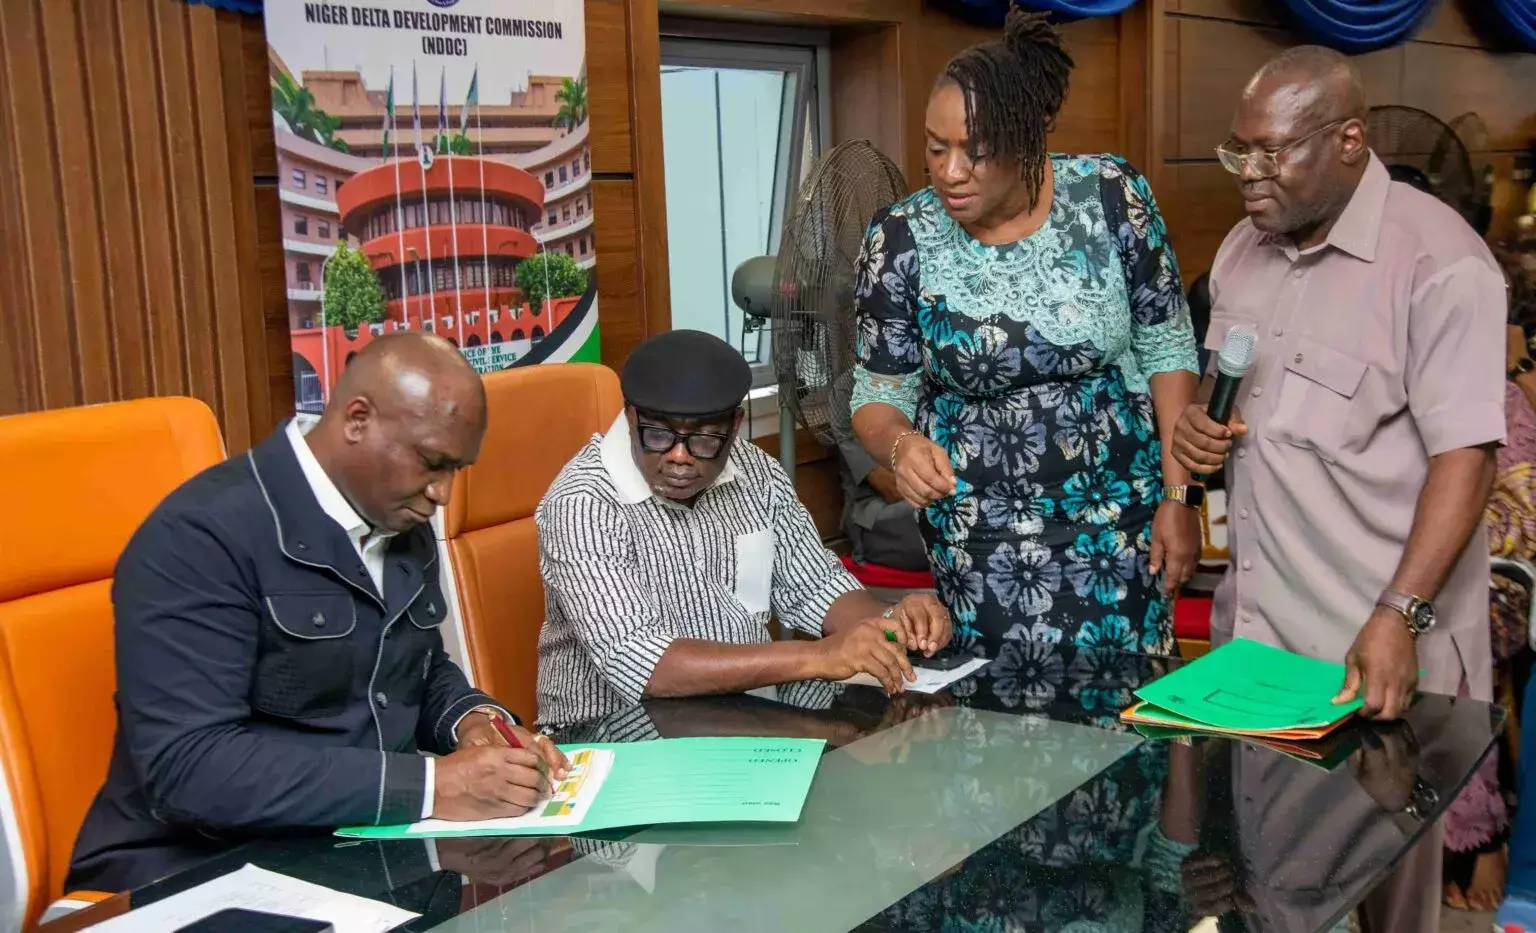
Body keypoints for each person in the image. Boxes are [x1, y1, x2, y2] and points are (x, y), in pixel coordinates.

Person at [1168, 47, 1505, 932]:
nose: (1249, 173)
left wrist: (1399, 614)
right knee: (1266, 895)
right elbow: (1236, 407)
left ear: (1350, 141)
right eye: (1238, 151)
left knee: (1392, 903)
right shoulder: (1240, 253)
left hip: (1380, 652)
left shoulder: (1442, 264)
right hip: (1261, 644)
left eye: (1271, 152)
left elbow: (1467, 459)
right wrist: (1199, 436)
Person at [68, 334, 568, 893]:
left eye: (457, 469)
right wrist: (432, 784)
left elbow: (417, 669)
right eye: (432, 463)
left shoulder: (400, 517)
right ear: (357, 420)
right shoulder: (201, 535)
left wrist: (474, 723)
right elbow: (189, 767)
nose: (444, 494)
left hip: (359, 849)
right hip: (196, 866)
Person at [849, 9, 1201, 662]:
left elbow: (1168, 348)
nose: (951, 171)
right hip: (979, 536)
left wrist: (1180, 497)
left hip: (1121, 517)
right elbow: (877, 394)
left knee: (1131, 702)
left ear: (1028, 143)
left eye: (976, 151)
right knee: (996, 710)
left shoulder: (1111, 196)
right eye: (935, 147)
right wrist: (899, 445)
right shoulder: (899, 238)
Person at [535, 330, 953, 729]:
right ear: (631, 417)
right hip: (610, 737)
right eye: (658, 435)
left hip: (738, 717)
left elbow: (816, 586)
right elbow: (645, 664)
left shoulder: (757, 473)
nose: (679, 457)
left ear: (735, 425)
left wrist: (893, 621)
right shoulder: (582, 502)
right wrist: (822, 656)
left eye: (704, 440)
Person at [836, 438, 928, 572]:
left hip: (921, 498)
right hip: (876, 515)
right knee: (943, 512)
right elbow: (892, 489)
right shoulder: (849, 431)